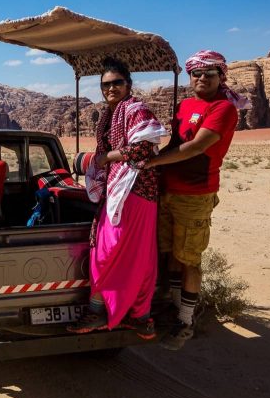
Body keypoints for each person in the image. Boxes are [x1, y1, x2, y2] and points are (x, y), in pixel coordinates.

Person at [145, 50, 251, 350]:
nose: (202, 78)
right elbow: (175, 143)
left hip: (195, 193)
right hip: (167, 189)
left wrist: (149, 164)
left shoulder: (224, 108)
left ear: (221, 77)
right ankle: (173, 308)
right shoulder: (185, 105)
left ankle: (186, 321)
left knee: (189, 257)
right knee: (169, 254)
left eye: (209, 73)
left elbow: (195, 147)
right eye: (196, 73)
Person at [68, 58, 167, 338]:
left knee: (109, 253)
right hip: (118, 190)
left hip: (136, 191)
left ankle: (103, 313)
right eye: (105, 84)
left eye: (116, 83)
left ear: (128, 84)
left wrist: (102, 159)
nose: (110, 88)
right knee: (119, 252)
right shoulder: (110, 113)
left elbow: (143, 149)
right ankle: (137, 316)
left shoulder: (136, 109)